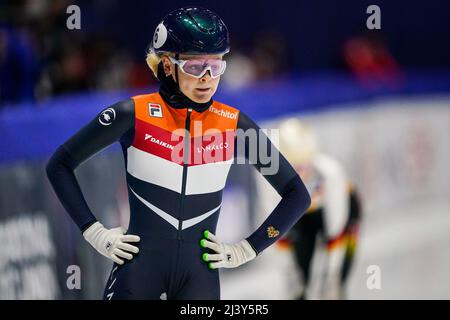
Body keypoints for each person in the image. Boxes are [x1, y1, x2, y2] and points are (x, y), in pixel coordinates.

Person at [46, 7, 311, 300]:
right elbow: (59, 165)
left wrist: (249, 248)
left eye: (217, 65)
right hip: (139, 275)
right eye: (195, 67)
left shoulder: (235, 125)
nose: (207, 78)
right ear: (167, 66)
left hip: (200, 281)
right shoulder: (132, 114)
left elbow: (297, 194)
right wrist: (93, 232)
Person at [260, 118, 361, 299]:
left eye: (305, 167)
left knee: (335, 282)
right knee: (299, 282)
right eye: (294, 168)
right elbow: (275, 232)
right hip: (302, 214)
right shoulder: (269, 180)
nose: (302, 175)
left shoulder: (331, 173)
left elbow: (336, 230)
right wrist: (290, 274)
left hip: (339, 207)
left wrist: (331, 277)